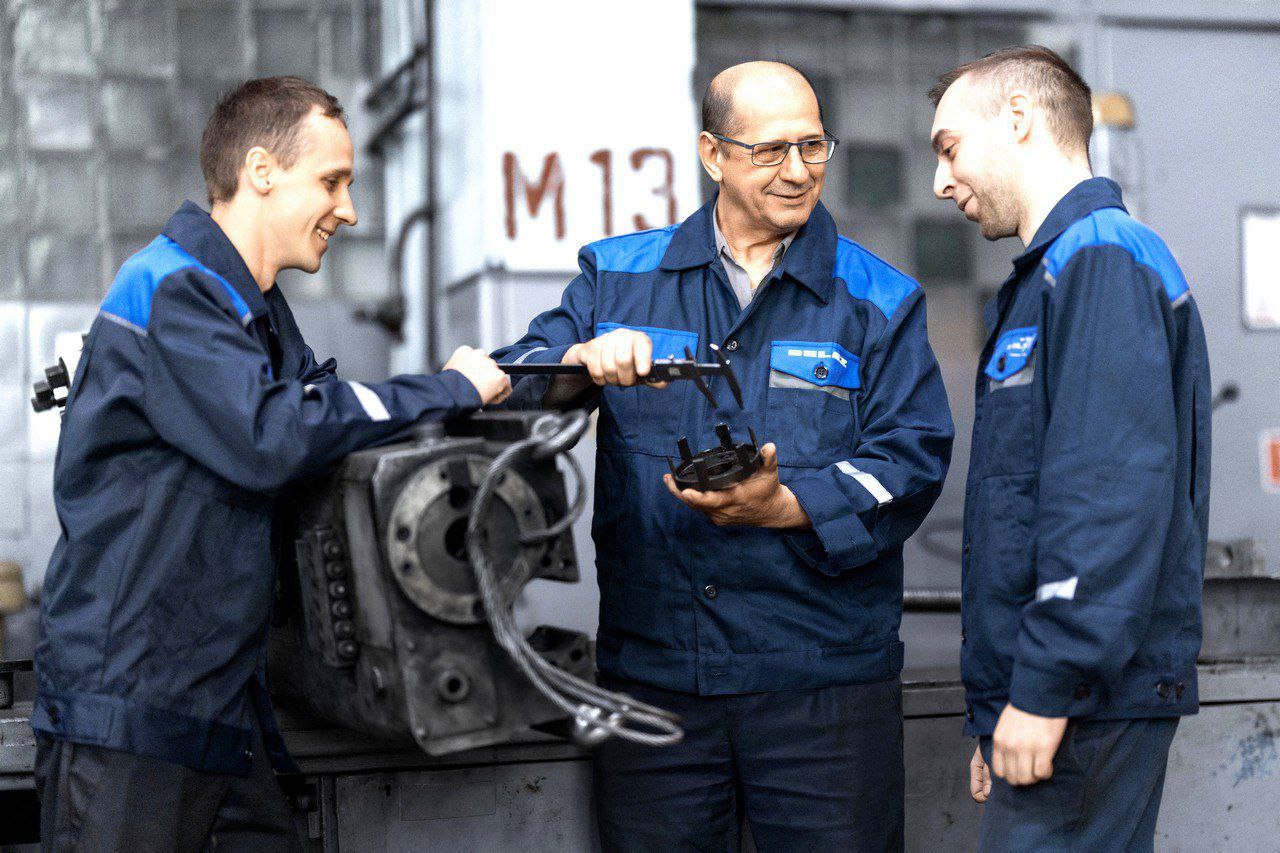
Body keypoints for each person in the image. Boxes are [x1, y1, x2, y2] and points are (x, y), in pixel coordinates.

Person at [31, 76, 509, 850]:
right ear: (261, 170)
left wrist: (544, 369)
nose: (349, 210)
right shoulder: (172, 288)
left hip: (218, 703)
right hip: (135, 709)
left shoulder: (255, 309)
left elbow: (335, 419)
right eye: (332, 181)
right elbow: (273, 436)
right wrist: (448, 388)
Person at [495, 61, 953, 851]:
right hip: (656, 685)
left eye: (813, 146)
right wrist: (580, 361)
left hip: (824, 687)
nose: (798, 170)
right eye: (771, 150)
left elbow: (911, 458)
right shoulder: (617, 279)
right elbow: (513, 387)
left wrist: (788, 506)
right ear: (713, 154)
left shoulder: (879, 300)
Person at [928, 46, 1210, 851]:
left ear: (1018, 119)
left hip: (1086, 699)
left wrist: (1046, 691)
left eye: (949, 148)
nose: (940, 182)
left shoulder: (1101, 260)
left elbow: (1108, 494)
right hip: (1070, 696)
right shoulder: (1055, 271)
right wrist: (1001, 709)